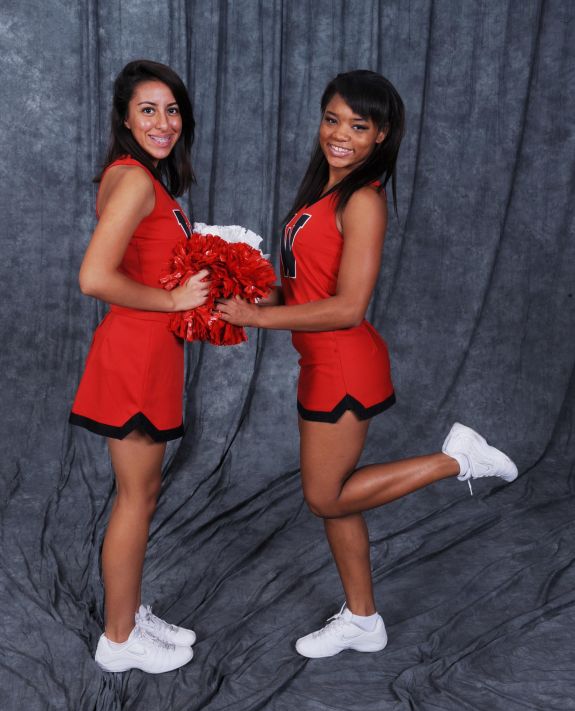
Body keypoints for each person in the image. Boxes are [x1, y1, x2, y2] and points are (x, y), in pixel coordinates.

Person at [217, 70, 518, 659]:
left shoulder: (364, 201)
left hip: (345, 365)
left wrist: (257, 320)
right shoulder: (322, 193)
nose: (341, 134)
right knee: (338, 496)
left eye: (359, 126)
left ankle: (456, 459)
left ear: (381, 135)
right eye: (333, 119)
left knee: (326, 497)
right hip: (318, 361)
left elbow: (349, 306)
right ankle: (362, 619)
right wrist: (252, 295)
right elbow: (306, 288)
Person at [70, 60, 210, 673]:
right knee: (134, 497)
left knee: (144, 492)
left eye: (172, 109)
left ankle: (129, 614)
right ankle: (118, 639)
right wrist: (174, 300)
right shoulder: (132, 181)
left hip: (151, 352)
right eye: (148, 110)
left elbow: (146, 257)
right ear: (125, 118)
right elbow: (95, 277)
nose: (163, 122)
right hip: (135, 353)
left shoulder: (142, 178)